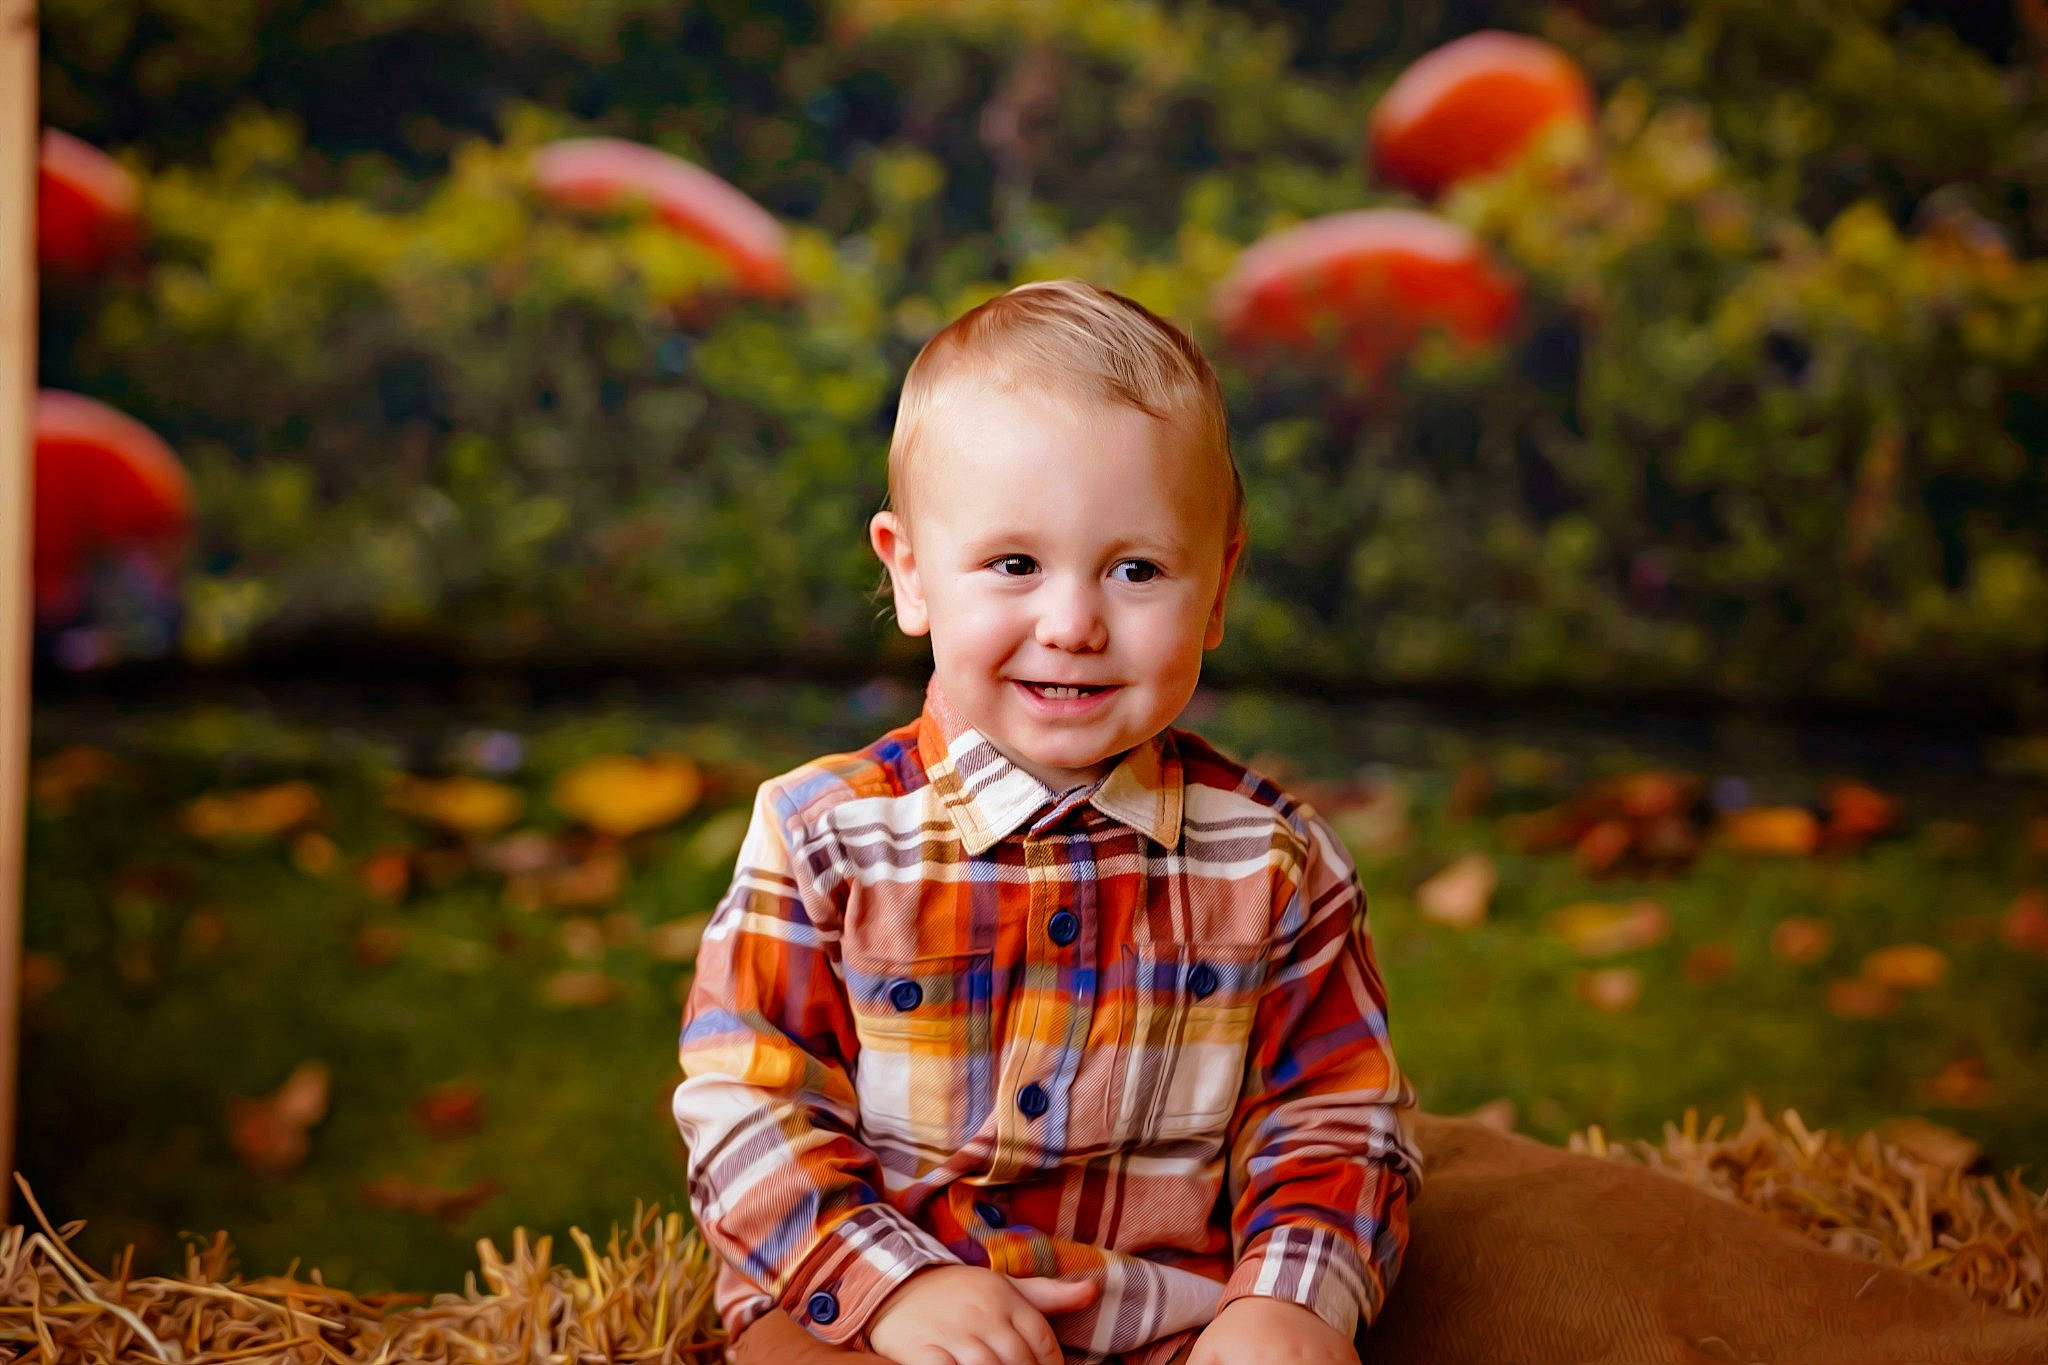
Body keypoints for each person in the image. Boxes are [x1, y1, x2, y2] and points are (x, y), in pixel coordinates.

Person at [671, 278, 1422, 1365]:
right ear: (912, 573)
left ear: (1216, 589)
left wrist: (1287, 1303)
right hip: (878, 1312)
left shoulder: (1273, 862)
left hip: (1164, 1320)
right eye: (1014, 564)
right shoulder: (822, 839)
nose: (1072, 624)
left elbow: (1333, 1117)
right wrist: (892, 1289)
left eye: (1135, 569)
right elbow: (746, 1106)